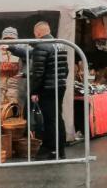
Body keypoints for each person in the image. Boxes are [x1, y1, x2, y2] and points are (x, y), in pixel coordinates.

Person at [29, 22, 69, 159]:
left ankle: (53, 150)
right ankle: (60, 148)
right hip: (60, 86)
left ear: (37, 33)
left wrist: (34, 91)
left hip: (48, 88)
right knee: (58, 117)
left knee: (50, 120)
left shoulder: (40, 46)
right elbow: (66, 69)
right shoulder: (60, 44)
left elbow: (38, 72)